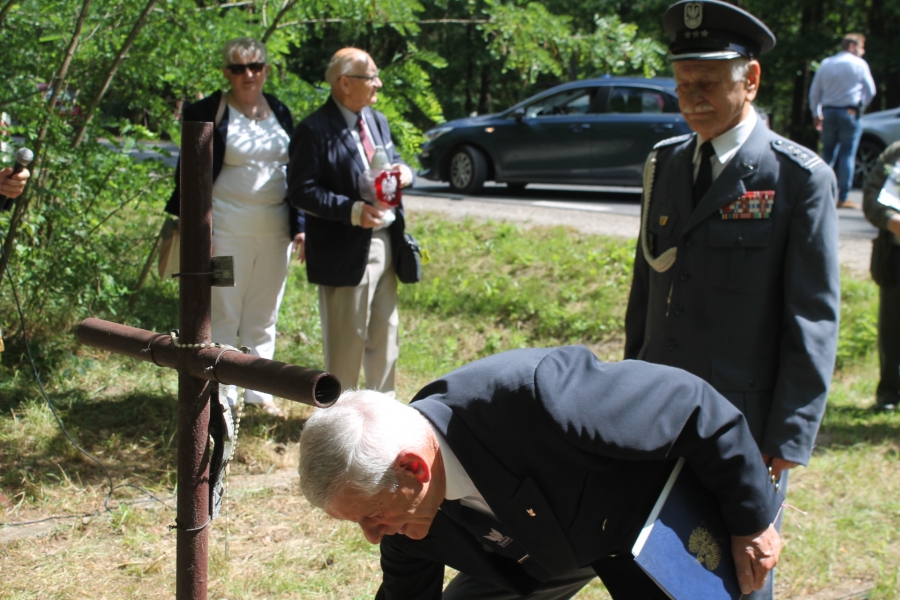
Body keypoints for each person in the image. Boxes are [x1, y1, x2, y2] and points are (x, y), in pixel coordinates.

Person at [625, 2, 840, 597]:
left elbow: (812, 318)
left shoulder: (797, 178)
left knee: (737, 572)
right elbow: (646, 291)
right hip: (659, 408)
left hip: (741, 424)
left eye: (708, 82)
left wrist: (788, 436)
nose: (691, 98)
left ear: (751, 80)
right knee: (652, 564)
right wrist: (625, 389)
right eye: (682, 83)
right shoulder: (664, 164)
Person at [298, 346, 783, 599]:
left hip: (645, 519)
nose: (372, 535)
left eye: (372, 516)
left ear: (414, 467)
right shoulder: (402, 514)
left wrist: (751, 521)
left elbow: (694, 407)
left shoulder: (540, 398)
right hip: (540, 554)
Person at [165, 37, 305, 417]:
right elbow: (187, 175)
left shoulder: (279, 110)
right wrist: (198, 234)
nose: (249, 74)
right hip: (225, 233)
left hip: (274, 234)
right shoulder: (207, 111)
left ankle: (260, 391)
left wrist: (300, 226)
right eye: (239, 68)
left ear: (266, 70)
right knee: (224, 311)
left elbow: (293, 173)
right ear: (226, 72)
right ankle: (220, 393)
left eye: (255, 66)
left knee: (265, 312)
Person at [288, 48, 413, 395]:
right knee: (346, 342)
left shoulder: (376, 120)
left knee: (386, 336)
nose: (379, 83)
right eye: (371, 77)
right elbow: (301, 191)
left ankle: (382, 414)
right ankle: (339, 416)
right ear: (345, 83)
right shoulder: (313, 129)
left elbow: (393, 158)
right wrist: (352, 211)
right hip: (343, 248)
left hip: (386, 240)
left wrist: (405, 171)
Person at [808, 33, 876, 209]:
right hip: (849, 113)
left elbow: (815, 92)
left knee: (827, 154)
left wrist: (816, 113)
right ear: (852, 46)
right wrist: (860, 106)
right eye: (861, 48)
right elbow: (871, 91)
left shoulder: (826, 63)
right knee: (847, 154)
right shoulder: (859, 64)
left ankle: (821, 193)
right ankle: (843, 197)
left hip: (828, 113)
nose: (863, 52)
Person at [862, 141, 900, 413]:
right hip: (895, 256)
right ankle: (890, 393)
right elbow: (871, 197)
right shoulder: (895, 154)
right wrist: (892, 221)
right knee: (892, 329)